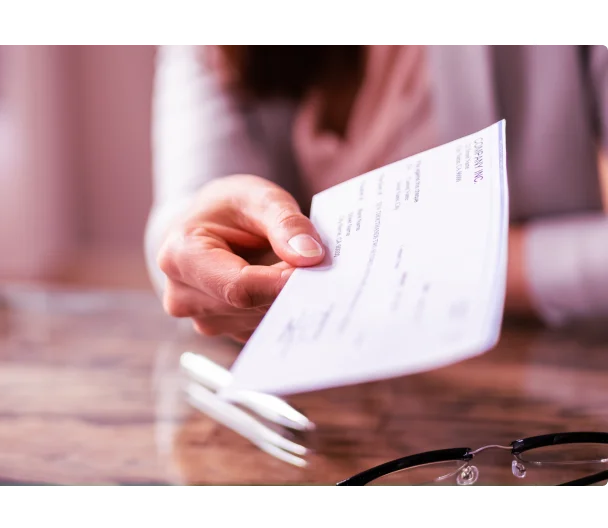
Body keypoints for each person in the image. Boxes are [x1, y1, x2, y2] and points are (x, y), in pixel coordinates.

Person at [145, 42, 608, 343]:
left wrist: (455, 266)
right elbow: (185, 218)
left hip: (541, 378)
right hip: (323, 405)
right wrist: (202, 245)